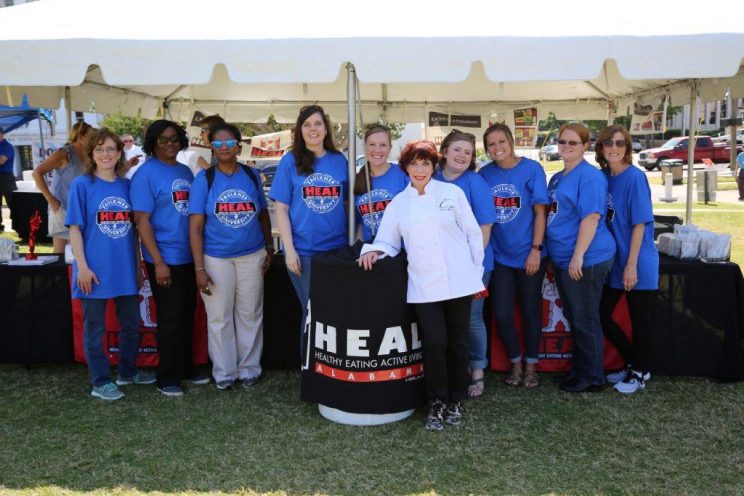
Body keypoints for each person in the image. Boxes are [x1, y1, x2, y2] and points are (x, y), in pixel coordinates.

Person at [358, 140, 484, 432]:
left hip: (460, 282)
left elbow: (473, 235)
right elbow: (388, 241)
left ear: (433, 166)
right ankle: (437, 401)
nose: (420, 169)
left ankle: (457, 399)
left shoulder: (452, 193)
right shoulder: (399, 203)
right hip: (424, 285)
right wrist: (371, 251)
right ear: (405, 168)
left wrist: (475, 275)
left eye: (425, 163)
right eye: (414, 163)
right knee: (435, 342)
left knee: (458, 341)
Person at [66, 128, 155, 400]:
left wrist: (139, 264)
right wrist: (82, 266)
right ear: (92, 154)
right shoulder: (82, 185)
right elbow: (74, 229)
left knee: (131, 324)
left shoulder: (127, 186)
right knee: (95, 328)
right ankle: (100, 381)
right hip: (93, 270)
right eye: (99, 149)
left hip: (125, 268)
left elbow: (137, 230)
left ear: (120, 154)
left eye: (110, 149)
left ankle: (127, 373)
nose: (105, 154)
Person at [189, 124, 273, 390]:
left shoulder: (251, 174)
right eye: (218, 143)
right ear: (211, 147)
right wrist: (199, 267)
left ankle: (249, 369)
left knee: (250, 313)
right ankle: (225, 372)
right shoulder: (204, 179)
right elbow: (195, 226)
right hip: (216, 257)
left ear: (238, 145)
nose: (224, 148)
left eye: (229, 143)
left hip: (251, 254)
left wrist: (269, 247)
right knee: (219, 316)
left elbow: (262, 213)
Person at [130, 119, 210, 397]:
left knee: (187, 315)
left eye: (174, 139)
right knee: (171, 318)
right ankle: (167, 378)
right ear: (152, 142)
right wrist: (158, 261)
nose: (169, 144)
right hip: (165, 257)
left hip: (189, 255)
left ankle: (184, 367)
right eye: (163, 139)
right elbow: (142, 221)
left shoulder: (185, 171)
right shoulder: (145, 174)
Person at [268, 105, 348, 357]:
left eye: (317, 124)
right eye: (307, 125)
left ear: (326, 129)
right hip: (304, 252)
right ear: (299, 131)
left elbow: (348, 204)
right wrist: (289, 251)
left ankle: (333, 366)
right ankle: (311, 369)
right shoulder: (289, 161)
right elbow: (281, 209)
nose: (313, 129)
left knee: (335, 310)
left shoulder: (339, 160)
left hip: (337, 251)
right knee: (312, 310)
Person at [546, 123, 616, 393]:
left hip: (587, 258)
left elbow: (591, 217)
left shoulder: (590, 177)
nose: (566, 147)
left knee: (585, 318)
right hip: (565, 257)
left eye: (573, 143)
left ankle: (593, 377)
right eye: (562, 141)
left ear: (585, 146)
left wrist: (578, 257)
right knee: (576, 316)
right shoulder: (558, 176)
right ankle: (580, 370)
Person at [479, 123, 548, 390]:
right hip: (500, 257)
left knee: (531, 311)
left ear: (511, 142)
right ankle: (515, 362)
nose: (497, 148)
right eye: (491, 145)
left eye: (501, 142)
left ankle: (532, 365)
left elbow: (540, 212)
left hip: (529, 253)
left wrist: (536, 250)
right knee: (503, 313)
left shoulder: (531, 169)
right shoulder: (485, 175)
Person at [596, 124, 659, 394]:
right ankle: (634, 362)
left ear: (628, 148)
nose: (613, 148)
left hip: (638, 259)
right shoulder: (603, 177)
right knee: (602, 315)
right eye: (608, 143)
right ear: (600, 148)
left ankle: (639, 372)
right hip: (615, 259)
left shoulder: (634, 177)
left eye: (620, 143)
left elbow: (639, 224)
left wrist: (631, 265)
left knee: (639, 320)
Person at [433, 129, 495, 398]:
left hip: (473, 264)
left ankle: (478, 370)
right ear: (444, 151)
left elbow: (485, 225)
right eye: (457, 149)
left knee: (471, 318)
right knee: (445, 319)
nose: (462, 155)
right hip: (438, 263)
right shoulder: (431, 177)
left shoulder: (475, 182)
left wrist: (472, 263)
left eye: (468, 152)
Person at [32, 121, 95, 252]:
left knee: (81, 252)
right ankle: (59, 273)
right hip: (62, 208)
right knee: (61, 254)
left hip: (81, 209)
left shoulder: (89, 155)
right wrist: (50, 199)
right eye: (92, 137)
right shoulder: (64, 153)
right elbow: (37, 173)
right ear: (81, 137)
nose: (95, 140)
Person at [354, 124, 408, 242]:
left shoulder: (403, 175)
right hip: (369, 253)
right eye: (372, 144)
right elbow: (360, 224)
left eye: (383, 145)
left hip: (398, 253)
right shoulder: (358, 180)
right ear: (365, 147)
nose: (377, 150)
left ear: (389, 148)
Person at [0, 126, 16, 232]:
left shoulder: (7, 146)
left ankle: (19, 225)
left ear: (1, 133)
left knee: (12, 202)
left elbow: (1, 161)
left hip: (6, 177)